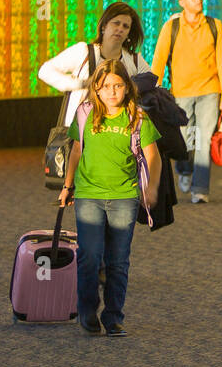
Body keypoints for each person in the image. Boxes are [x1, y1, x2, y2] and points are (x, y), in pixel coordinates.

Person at [58, 61, 162, 336]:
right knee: (89, 256)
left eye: (118, 85)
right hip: (88, 194)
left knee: (118, 260)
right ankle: (87, 310)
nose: (112, 91)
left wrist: (151, 189)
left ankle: (114, 316)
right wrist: (67, 186)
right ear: (96, 89)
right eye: (106, 86)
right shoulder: (85, 113)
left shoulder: (138, 119)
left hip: (124, 196)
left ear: (128, 87)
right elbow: (77, 151)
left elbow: (153, 156)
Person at [149, 0, 222, 204]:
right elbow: (158, 60)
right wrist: (152, 90)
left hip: (210, 91)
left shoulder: (215, 26)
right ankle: (184, 171)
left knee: (204, 140)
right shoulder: (172, 27)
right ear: (182, 2)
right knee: (185, 139)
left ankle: (200, 189)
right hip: (181, 93)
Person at [38, 2, 150, 127]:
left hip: (119, 132)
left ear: (129, 33)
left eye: (125, 26)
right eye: (116, 23)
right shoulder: (83, 52)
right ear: (104, 26)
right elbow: (45, 71)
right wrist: (81, 83)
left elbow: (153, 85)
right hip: (81, 132)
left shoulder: (134, 60)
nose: (120, 29)